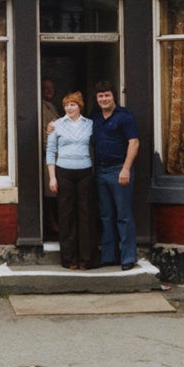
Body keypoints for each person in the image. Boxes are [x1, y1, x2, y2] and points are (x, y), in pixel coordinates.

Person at [45, 88, 98, 270]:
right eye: (66, 105)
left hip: (85, 172)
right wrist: (52, 178)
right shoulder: (56, 125)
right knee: (66, 215)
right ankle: (69, 260)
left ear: (80, 106)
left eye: (73, 104)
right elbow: (50, 152)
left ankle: (86, 260)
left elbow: (97, 146)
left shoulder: (90, 124)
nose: (69, 108)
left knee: (86, 215)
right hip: (63, 173)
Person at [90, 83, 141, 270]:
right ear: (97, 99)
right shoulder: (94, 117)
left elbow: (134, 143)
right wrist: (52, 127)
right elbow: (75, 126)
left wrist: (126, 169)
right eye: (100, 96)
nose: (104, 99)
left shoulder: (124, 116)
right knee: (105, 215)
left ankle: (128, 257)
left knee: (124, 215)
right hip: (100, 172)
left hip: (119, 170)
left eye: (107, 95)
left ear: (114, 97)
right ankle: (109, 255)